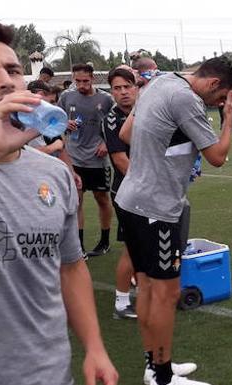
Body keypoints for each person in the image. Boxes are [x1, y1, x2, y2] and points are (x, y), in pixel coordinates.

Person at [0, 21, 118, 385]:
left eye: (12, 69)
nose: (5, 80)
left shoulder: (54, 175)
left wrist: (94, 346)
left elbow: (70, 267)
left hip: (49, 373)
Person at [115, 56, 232, 385]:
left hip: (131, 199)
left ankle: (154, 364)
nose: (216, 104)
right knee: (166, 294)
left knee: (147, 288)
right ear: (215, 85)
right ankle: (162, 376)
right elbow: (217, 157)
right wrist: (227, 119)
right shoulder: (187, 98)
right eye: (219, 98)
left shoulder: (160, 82)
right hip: (157, 208)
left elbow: (127, 133)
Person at [58, 63, 114, 256]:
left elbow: (113, 125)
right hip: (74, 158)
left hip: (97, 159)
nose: (81, 85)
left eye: (85, 81)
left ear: (93, 79)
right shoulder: (67, 96)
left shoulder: (106, 99)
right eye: (78, 81)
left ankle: (104, 241)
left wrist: (106, 144)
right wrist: (65, 123)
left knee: (102, 199)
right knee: (77, 201)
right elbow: (56, 121)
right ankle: (79, 246)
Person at [102, 67, 139, 320]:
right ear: (112, 92)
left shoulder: (147, 111)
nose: (123, 92)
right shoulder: (112, 120)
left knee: (146, 245)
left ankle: (146, 286)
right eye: (117, 88)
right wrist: (152, 183)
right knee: (133, 247)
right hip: (128, 192)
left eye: (127, 86)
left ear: (136, 87)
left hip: (150, 190)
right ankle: (121, 303)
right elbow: (119, 160)